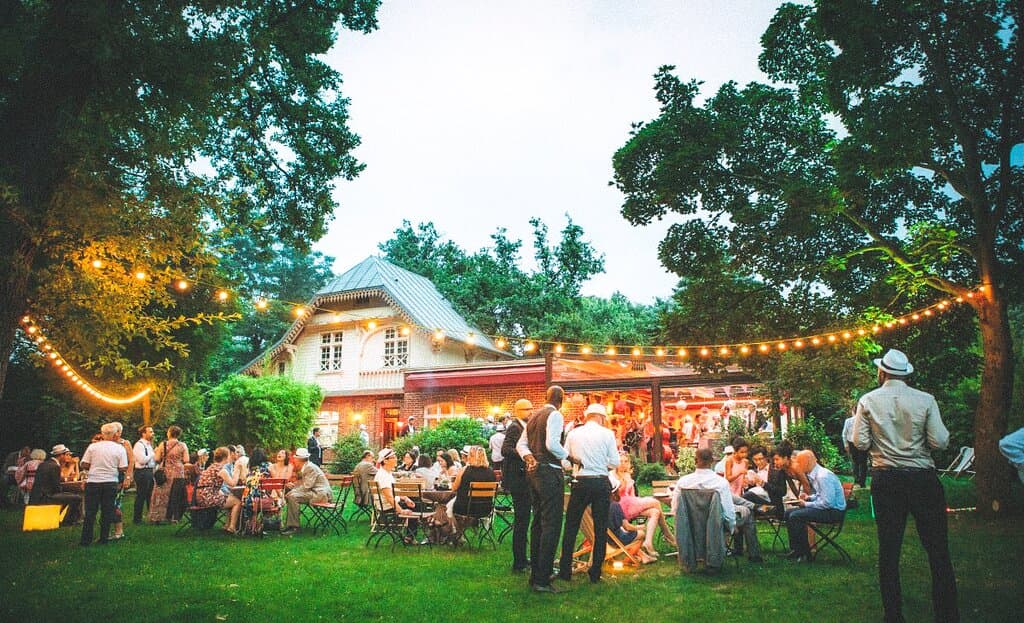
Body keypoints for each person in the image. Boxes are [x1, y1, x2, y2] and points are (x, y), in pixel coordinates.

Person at [854, 348, 958, 623]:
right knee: (938, 549)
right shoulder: (925, 400)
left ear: (882, 372)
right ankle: (947, 614)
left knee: (889, 550)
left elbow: (860, 442)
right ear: (906, 374)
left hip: (887, 478)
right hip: (922, 478)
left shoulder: (868, 400)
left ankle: (893, 614)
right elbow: (940, 441)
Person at [557, 403, 620, 584]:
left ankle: (565, 569)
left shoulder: (573, 434)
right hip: (600, 481)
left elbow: (565, 462)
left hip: (580, 482)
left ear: (587, 416)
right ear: (601, 417)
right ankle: (595, 572)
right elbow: (615, 462)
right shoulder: (607, 434)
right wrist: (601, 465)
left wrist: (577, 466)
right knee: (600, 528)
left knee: (571, 525)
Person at [517, 385, 570, 594]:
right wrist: (569, 457)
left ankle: (535, 574)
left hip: (534, 474)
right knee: (552, 524)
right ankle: (543, 577)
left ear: (545, 397)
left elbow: (521, 445)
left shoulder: (533, 416)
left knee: (538, 522)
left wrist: (529, 457)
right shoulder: (555, 415)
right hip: (550, 472)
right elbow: (552, 444)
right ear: (561, 400)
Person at [672, 448, 763, 565]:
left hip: (691, 523)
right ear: (712, 461)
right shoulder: (720, 482)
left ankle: (738, 550)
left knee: (742, 508)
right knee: (747, 513)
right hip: (715, 524)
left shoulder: (683, 482)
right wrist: (731, 527)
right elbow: (728, 511)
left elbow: (676, 507)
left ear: (695, 460)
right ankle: (753, 555)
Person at [783, 450, 846, 562]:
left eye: (799, 462)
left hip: (833, 512)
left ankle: (804, 553)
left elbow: (827, 503)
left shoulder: (823, 476)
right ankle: (796, 549)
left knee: (796, 516)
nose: (797, 466)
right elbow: (821, 495)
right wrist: (809, 498)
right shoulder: (816, 474)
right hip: (828, 508)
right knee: (788, 513)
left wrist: (805, 504)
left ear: (807, 462)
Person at [614, 452, 675, 558]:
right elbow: (614, 495)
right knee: (656, 502)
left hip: (630, 504)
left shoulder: (627, 474)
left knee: (655, 512)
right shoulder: (613, 475)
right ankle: (668, 535)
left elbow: (632, 495)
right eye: (621, 461)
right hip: (620, 507)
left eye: (626, 461)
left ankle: (648, 542)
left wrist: (638, 503)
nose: (623, 464)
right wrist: (623, 483)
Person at [80, 423, 128, 546]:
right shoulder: (119, 448)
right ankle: (104, 538)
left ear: (102, 434)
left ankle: (86, 539)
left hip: (93, 481)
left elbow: (84, 464)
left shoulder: (93, 447)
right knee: (107, 511)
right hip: (110, 481)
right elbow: (123, 467)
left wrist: (95, 466)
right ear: (115, 434)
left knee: (90, 512)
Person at [502, 398, 533, 573]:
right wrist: (524, 454)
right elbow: (505, 449)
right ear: (518, 411)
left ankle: (522, 558)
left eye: (531, 408)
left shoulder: (523, 427)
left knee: (524, 520)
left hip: (522, 479)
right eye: (527, 409)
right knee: (521, 521)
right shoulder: (515, 427)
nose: (531, 411)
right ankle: (519, 561)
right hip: (518, 480)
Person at [281, 447, 332, 535]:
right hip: (317, 492)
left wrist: (293, 491)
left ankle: (294, 527)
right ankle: (290, 525)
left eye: (295, 459)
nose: (294, 461)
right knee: (291, 495)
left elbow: (307, 486)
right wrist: (293, 486)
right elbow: (304, 483)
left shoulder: (310, 468)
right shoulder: (307, 466)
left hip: (320, 495)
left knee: (292, 496)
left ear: (299, 460)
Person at [29, 444, 83, 524]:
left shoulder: (44, 464)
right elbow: (56, 487)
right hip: (46, 497)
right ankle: (68, 520)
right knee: (77, 498)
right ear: (61, 455)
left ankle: (66, 518)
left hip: (36, 496)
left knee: (68, 496)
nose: (68, 457)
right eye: (66, 454)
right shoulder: (55, 466)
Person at [196, 446, 244, 533]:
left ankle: (227, 525)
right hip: (207, 498)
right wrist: (237, 470)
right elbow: (233, 484)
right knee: (237, 502)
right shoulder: (221, 470)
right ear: (225, 457)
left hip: (201, 496)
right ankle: (232, 527)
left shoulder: (211, 467)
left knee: (230, 498)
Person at [149, 425, 189, 524]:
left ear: (169, 433)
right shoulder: (183, 445)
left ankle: (158, 516)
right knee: (176, 495)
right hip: (178, 473)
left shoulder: (163, 444)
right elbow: (186, 459)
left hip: (165, 471)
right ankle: (174, 517)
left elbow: (157, 459)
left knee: (162, 494)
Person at [608, 486, 657, 564]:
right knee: (641, 534)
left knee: (624, 531)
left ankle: (644, 556)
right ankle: (627, 560)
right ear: (614, 493)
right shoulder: (614, 506)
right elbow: (627, 527)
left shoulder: (598, 505)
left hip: (605, 538)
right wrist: (639, 527)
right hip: (616, 539)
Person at [449, 446, 496, 519]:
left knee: (445, 504)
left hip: (464, 508)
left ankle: (446, 524)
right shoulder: (491, 472)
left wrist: (451, 481)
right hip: (485, 509)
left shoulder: (464, 470)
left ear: (470, 456)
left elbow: (454, 488)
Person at [109, 422, 135, 540]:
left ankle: (119, 531)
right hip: (108, 474)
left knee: (116, 502)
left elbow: (131, 460)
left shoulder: (125, 443)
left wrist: (128, 476)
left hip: (120, 475)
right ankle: (108, 529)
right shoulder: (106, 443)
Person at [132, 425, 156, 524]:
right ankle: (137, 519)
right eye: (150, 432)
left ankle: (151, 516)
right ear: (143, 434)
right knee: (141, 495)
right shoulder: (139, 445)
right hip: (142, 472)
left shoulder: (149, 445)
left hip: (149, 471)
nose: (153, 433)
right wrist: (153, 453)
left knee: (150, 495)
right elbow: (142, 460)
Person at [842, 410, 869, 488]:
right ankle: (862, 482)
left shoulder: (849, 421)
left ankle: (857, 481)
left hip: (853, 443)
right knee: (863, 463)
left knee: (856, 462)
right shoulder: (865, 421)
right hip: (862, 442)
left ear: (853, 411)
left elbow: (844, 434)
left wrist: (846, 445)